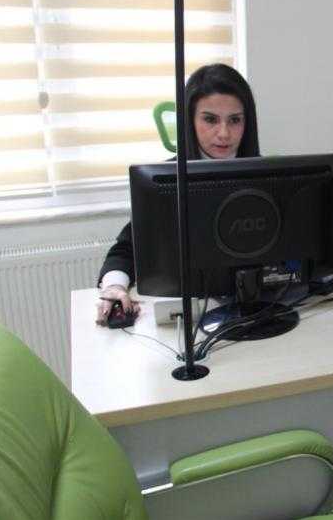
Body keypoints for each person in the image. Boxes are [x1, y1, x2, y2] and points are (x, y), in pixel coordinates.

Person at [95, 63, 260, 325]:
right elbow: (126, 250)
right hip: (187, 319)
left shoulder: (268, 177)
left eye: (235, 120)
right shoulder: (165, 180)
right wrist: (114, 286)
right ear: (189, 121)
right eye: (210, 119)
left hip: (259, 309)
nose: (224, 133)